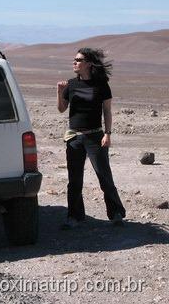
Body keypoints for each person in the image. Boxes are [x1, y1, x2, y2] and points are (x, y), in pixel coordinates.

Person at [56, 48, 126, 229]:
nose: (74, 62)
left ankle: (116, 213)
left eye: (78, 60)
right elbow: (62, 109)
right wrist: (59, 91)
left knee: (104, 176)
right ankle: (75, 216)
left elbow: (107, 111)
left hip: (96, 136)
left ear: (88, 64)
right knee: (75, 180)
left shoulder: (101, 85)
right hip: (75, 137)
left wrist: (108, 134)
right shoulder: (70, 84)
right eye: (74, 59)